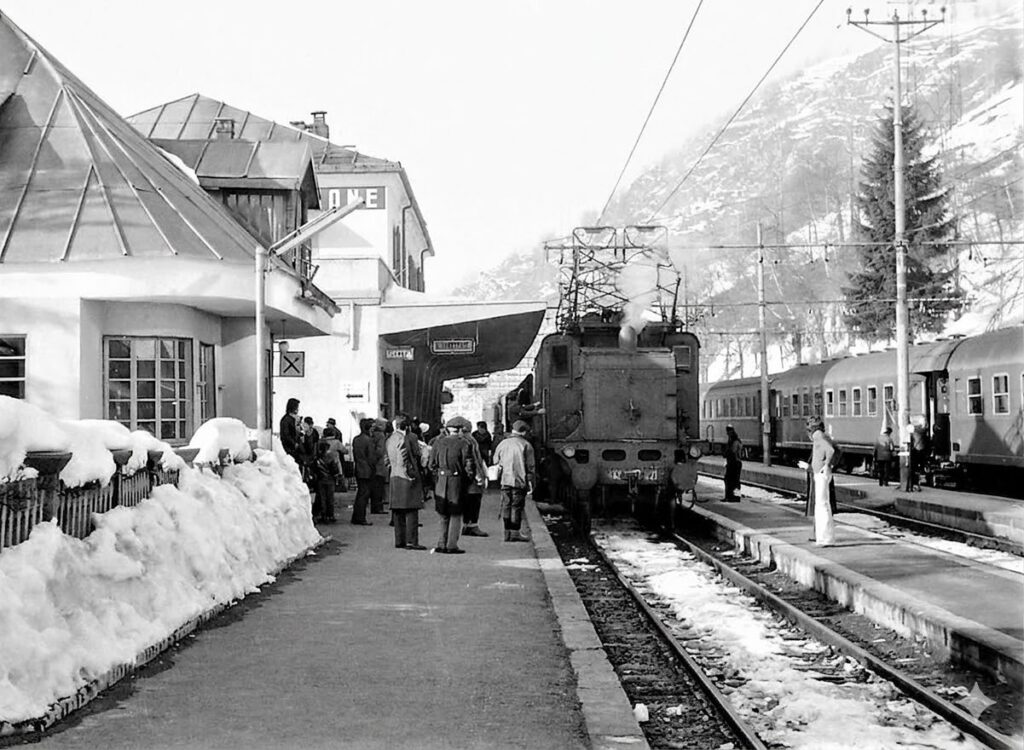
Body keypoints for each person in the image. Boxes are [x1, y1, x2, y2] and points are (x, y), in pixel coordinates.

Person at [428, 416, 476, 554]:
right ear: (460, 429)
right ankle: (452, 545)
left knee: (443, 514)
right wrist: (469, 479)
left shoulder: (438, 443)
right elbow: (468, 466)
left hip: (441, 481)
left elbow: (431, 465)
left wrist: (438, 475)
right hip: (457, 481)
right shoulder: (464, 443)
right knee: (456, 513)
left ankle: (441, 543)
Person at [386, 414, 426, 550]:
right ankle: (411, 541)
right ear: (407, 426)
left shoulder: (390, 439)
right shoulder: (410, 438)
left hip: (394, 475)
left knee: (398, 511)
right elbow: (414, 455)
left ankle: (399, 540)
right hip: (407, 476)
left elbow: (388, 459)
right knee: (411, 511)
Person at [491, 420, 535, 542]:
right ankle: (515, 533)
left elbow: (495, 460)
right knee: (516, 506)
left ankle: (506, 533)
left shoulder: (503, 443)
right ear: (524, 432)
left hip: (505, 479)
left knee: (506, 505)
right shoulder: (526, 445)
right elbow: (530, 466)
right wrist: (530, 481)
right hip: (519, 480)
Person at [807, 420, 838, 546]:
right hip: (820, 472)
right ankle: (822, 537)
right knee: (822, 505)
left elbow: (830, 450)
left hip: (821, 473)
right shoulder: (822, 436)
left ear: (811, 430)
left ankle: (825, 538)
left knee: (822, 506)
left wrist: (826, 465)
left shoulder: (818, 437)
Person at [459, 418, 490, 537]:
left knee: (466, 502)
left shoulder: (459, 440)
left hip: (463, 477)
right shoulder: (470, 441)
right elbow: (474, 460)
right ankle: (473, 526)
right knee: (474, 501)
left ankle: (466, 525)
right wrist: (479, 476)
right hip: (472, 478)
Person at [350, 418, 375, 526]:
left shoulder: (356, 439)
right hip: (366, 469)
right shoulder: (368, 440)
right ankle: (360, 517)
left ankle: (356, 516)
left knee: (360, 493)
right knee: (364, 494)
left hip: (358, 467)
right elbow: (371, 457)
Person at [309, 441, 339, 523]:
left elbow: (313, 469)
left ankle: (323, 515)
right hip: (330, 480)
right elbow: (335, 470)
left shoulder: (317, 459)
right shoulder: (331, 457)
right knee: (330, 498)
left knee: (322, 498)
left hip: (320, 480)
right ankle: (330, 515)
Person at [370, 418, 389, 514]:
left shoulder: (372, 434)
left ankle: (375, 506)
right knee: (379, 488)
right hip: (379, 465)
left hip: (372, 466)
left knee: (374, 487)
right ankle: (378, 507)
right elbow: (380, 451)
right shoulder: (381, 435)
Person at [723, 424, 743, 502]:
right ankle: (735, 497)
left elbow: (733, 451)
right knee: (735, 481)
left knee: (730, 480)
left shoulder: (734, 441)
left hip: (734, 463)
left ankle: (730, 497)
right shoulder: (736, 440)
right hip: (736, 463)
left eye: (728, 432)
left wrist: (726, 453)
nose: (727, 434)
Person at [279, 398, 301, 465]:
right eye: (297, 407)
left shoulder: (293, 419)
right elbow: (286, 435)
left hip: (294, 447)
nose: (298, 409)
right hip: (289, 449)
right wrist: (294, 444)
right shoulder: (286, 420)